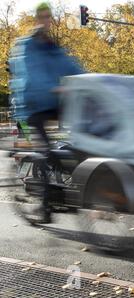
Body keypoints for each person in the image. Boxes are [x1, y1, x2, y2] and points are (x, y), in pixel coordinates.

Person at [9, 2, 84, 223]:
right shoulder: (26, 46)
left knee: (82, 133)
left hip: (54, 103)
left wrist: (90, 80)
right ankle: (44, 206)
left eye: (48, 17)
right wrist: (53, 87)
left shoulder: (53, 47)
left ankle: (70, 176)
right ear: (36, 19)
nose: (45, 20)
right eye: (41, 16)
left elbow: (71, 66)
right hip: (32, 106)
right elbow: (30, 73)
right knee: (44, 150)